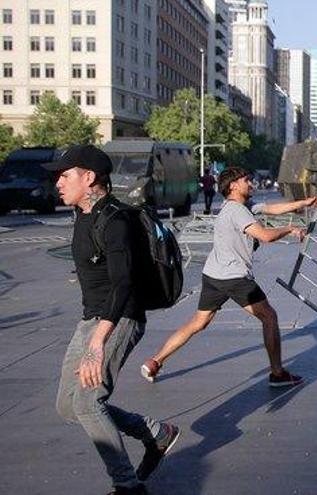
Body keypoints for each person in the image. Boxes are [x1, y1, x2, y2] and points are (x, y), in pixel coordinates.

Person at [45, 145, 180, 495]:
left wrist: (98, 342)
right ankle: (155, 432)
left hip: (119, 320)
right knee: (67, 406)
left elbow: (124, 284)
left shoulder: (117, 221)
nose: (58, 182)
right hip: (90, 321)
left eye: (65, 175)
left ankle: (127, 485)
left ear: (88, 178)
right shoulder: (83, 214)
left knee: (88, 403)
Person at [141, 166, 317, 387]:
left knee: (198, 322)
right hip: (233, 277)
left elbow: (272, 209)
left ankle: (155, 361)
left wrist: (305, 203)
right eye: (246, 179)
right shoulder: (238, 212)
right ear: (233, 185)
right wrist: (290, 229)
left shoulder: (239, 207)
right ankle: (277, 374)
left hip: (213, 274)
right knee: (269, 317)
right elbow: (265, 236)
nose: (251, 183)